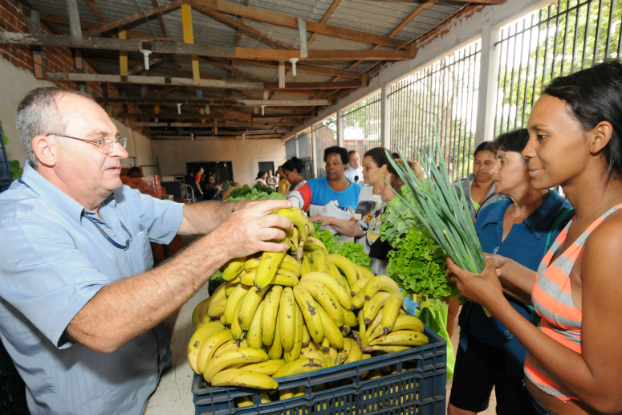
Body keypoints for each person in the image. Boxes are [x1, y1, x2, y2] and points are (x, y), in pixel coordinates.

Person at [0, 87, 293, 415]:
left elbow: (188, 215)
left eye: (116, 139)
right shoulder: (16, 226)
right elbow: (99, 324)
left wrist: (243, 208)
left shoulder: (117, 198)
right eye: (100, 140)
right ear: (47, 149)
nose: (120, 153)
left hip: (160, 382)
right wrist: (226, 242)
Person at [447, 61, 622, 415]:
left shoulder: (613, 238)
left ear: (598, 137)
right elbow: (571, 302)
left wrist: (494, 302)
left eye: (541, 136)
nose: (527, 151)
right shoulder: (579, 220)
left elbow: (606, 396)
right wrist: (503, 268)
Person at [448, 129, 573, 415]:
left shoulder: (563, 221)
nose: (493, 169)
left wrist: (490, 283)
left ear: (532, 160)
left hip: (524, 349)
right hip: (476, 336)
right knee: (458, 409)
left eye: (502, 161)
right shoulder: (492, 212)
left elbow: (560, 299)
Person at [311, 158, 423, 275]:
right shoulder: (380, 211)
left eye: (385, 182)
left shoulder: (411, 221)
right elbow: (356, 228)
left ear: (399, 187)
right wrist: (331, 220)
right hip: (373, 277)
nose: (381, 187)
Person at [289, 146, 362, 216]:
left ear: (345, 164)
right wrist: (292, 204)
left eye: (335, 163)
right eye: (328, 163)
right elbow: (297, 197)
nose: (330, 167)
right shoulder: (313, 186)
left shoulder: (358, 191)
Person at [455, 142, 506, 221]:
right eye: (477, 162)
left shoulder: (505, 194)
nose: (481, 167)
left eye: (487, 163)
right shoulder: (456, 189)